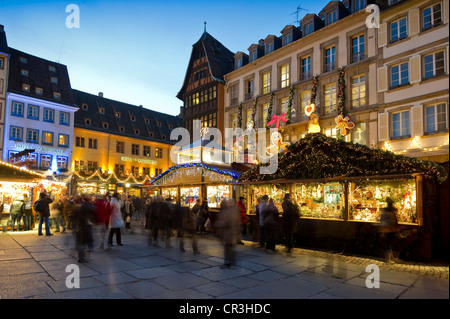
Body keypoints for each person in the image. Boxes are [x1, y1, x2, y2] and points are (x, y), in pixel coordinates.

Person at [215, 198, 241, 268]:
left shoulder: (230, 211)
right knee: (229, 248)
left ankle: (228, 263)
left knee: (228, 248)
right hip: (231, 233)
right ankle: (231, 262)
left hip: (229, 234)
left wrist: (220, 223)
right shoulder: (233, 210)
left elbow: (229, 222)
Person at [72, 195, 97, 263]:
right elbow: (93, 208)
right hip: (83, 227)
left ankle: (81, 256)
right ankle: (81, 258)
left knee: (80, 242)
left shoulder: (76, 207)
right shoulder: (83, 207)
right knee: (82, 242)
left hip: (79, 226)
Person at [379, 197, 399, 264]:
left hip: (385, 229)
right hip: (389, 229)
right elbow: (394, 221)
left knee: (388, 243)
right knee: (389, 243)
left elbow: (381, 219)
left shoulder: (384, 211)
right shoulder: (391, 211)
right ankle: (388, 259)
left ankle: (390, 257)